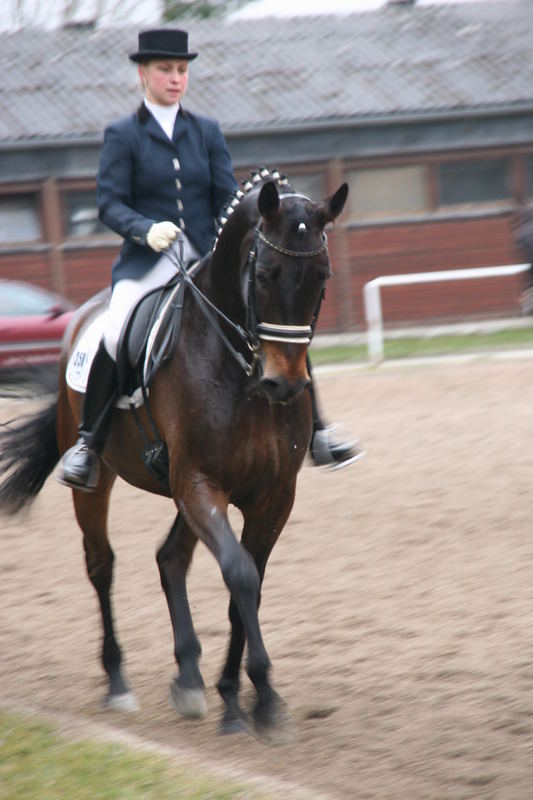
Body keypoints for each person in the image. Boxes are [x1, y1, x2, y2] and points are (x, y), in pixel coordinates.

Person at [59, 27, 361, 491]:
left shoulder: (206, 131)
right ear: (144, 73)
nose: (175, 78)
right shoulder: (123, 135)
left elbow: (228, 198)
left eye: (181, 70)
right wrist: (145, 229)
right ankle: (88, 442)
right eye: (165, 70)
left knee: (278, 321)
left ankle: (319, 430)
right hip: (148, 260)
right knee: (117, 331)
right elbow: (109, 204)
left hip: (205, 257)